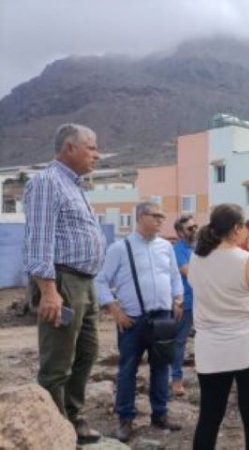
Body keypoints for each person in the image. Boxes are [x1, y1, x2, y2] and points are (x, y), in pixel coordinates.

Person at [23, 123, 106, 445]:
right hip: (62, 282)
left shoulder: (74, 186)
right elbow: (38, 241)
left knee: (87, 352)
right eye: (92, 147)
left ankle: (73, 416)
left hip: (84, 283)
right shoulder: (48, 183)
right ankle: (54, 431)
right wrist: (48, 291)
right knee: (57, 363)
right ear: (69, 148)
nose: (97, 155)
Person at [95, 201, 184, 443]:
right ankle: (125, 418)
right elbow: (100, 281)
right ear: (142, 216)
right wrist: (114, 310)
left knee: (161, 367)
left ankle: (160, 414)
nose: (161, 220)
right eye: (156, 216)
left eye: (162, 217)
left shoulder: (166, 246)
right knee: (127, 370)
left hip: (163, 318)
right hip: (132, 320)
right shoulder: (120, 248)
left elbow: (175, 277)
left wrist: (178, 299)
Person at [188, 203, 249, 450]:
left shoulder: (196, 258)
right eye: (245, 226)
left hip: (211, 347)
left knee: (209, 417)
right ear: (236, 229)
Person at [171, 214, 199, 396]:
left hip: (204, 302)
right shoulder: (178, 250)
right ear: (180, 232)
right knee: (179, 342)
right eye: (190, 228)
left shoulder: (200, 248)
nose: (195, 230)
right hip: (186, 303)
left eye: (195, 226)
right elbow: (188, 273)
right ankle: (176, 380)